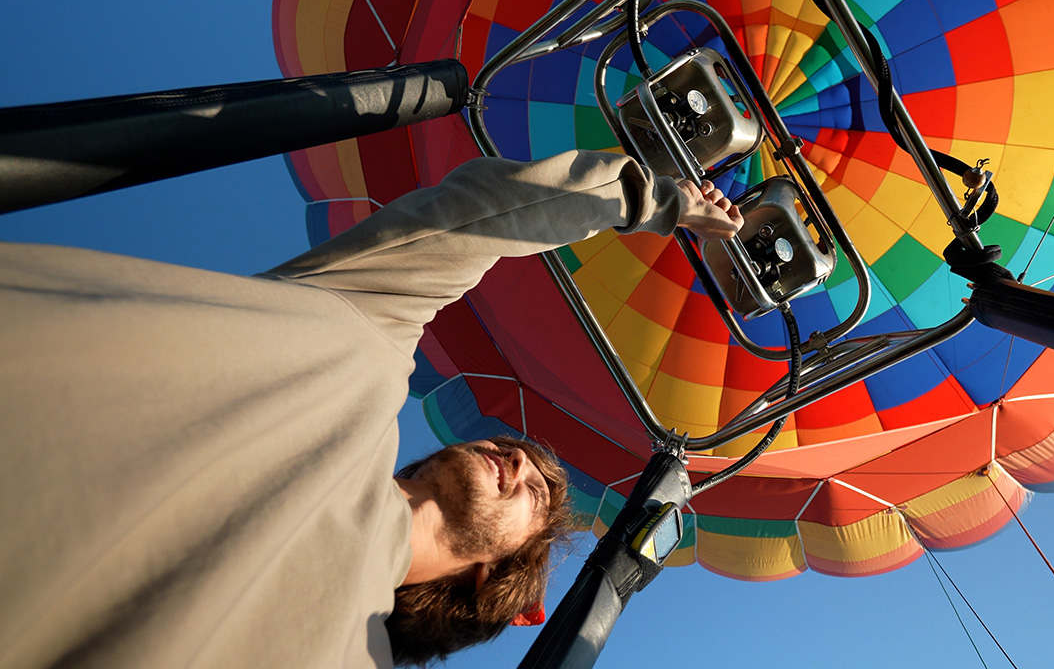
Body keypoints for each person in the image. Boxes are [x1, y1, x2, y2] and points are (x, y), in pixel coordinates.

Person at [0, 149, 743, 668]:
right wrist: (663, 201)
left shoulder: (353, 653)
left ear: (495, 576)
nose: (520, 460)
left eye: (539, 492)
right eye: (527, 458)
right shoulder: (365, 342)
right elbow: (483, 213)